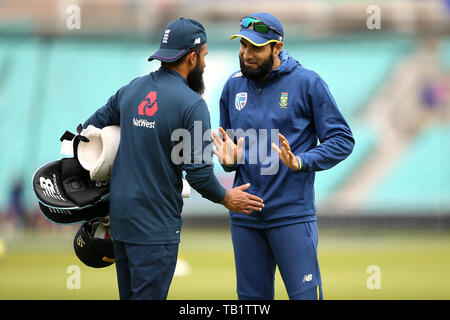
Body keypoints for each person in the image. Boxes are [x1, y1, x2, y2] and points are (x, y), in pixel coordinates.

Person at [82, 17, 264, 300]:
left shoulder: (131, 90)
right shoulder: (192, 105)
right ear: (191, 57)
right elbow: (200, 175)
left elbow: (87, 131)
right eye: (203, 56)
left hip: (121, 224)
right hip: (155, 230)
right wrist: (227, 199)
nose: (204, 63)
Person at [212, 12, 355, 300]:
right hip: (245, 217)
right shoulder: (232, 86)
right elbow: (231, 152)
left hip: (291, 216)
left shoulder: (308, 83)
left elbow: (342, 140)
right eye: (242, 45)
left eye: (256, 47)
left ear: (277, 47)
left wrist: (300, 161)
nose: (246, 54)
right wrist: (228, 160)